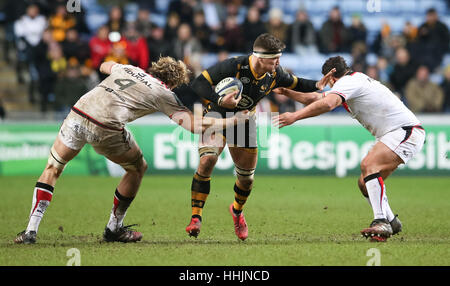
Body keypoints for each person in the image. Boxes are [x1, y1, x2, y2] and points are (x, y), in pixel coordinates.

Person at [14, 56, 244, 244]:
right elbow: (194, 126)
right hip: (104, 125)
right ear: (173, 82)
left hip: (78, 113)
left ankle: (30, 231)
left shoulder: (127, 69)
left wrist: (116, 67)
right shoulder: (164, 92)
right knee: (137, 168)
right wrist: (230, 122)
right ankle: (114, 228)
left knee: (53, 167)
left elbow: (104, 64)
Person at [183, 33, 334, 240]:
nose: (279, 62)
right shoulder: (234, 66)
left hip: (244, 121)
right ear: (261, 57)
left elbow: (297, 82)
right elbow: (198, 83)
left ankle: (236, 211)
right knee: (207, 160)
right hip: (216, 116)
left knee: (246, 180)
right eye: (275, 58)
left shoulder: (275, 74)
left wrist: (317, 84)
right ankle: (195, 217)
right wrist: (219, 98)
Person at [273, 56, 426, 242]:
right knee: (364, 183)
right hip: (398, 133)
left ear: (331, 75)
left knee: (369, 165)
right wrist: (288, 92)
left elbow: (328, 103)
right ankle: (392, 221)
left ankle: (381, 221)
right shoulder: (352, 81)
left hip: (405, 132)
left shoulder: (349, 82)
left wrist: (295, 116)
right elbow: (316, 98)